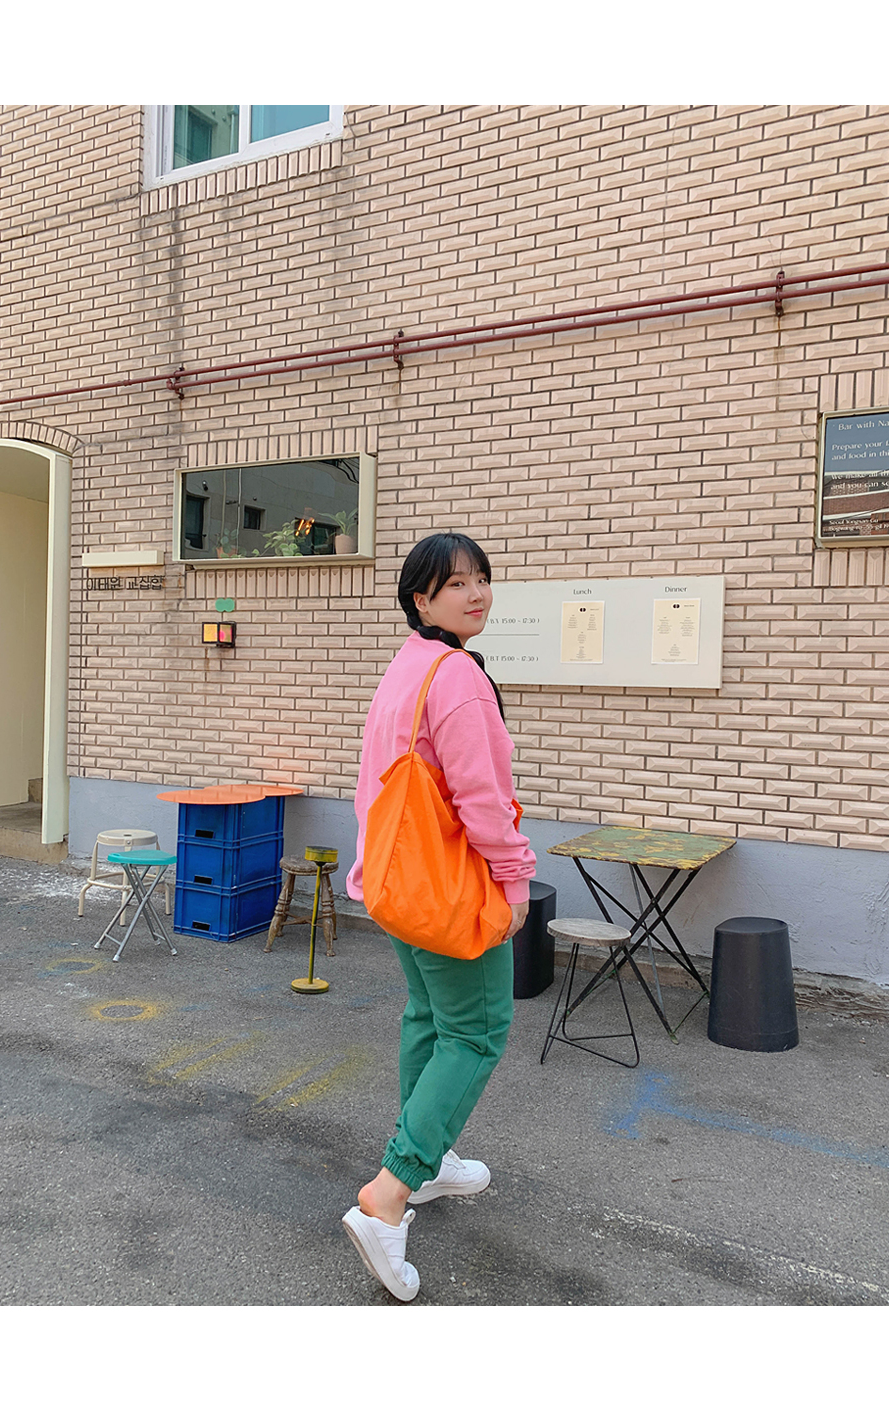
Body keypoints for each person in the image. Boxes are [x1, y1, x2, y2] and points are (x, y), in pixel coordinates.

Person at [342, 531, 536, 1301]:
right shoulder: (458, 676)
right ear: (420, 598)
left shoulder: (408, 667)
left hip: (399, 885)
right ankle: (390, 1193)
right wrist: (515, 879)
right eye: (456, 583)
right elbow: (483, 799)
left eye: (482, 578)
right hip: (452, 890)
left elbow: (373, 784)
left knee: (428, 1017)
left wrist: (374, 871)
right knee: (476, 1032)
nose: (477, 593)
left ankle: (430, 1160)